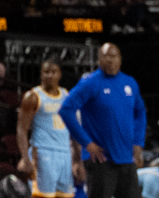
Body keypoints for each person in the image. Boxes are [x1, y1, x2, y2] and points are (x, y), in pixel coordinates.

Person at [61, 42, 147, 198]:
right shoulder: (90, 82)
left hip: (126, 157)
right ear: (98, 60)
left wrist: (138, 142)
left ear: (120, 59)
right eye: (105, 56)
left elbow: (140, 112)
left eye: (113, 56)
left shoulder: (130, 82)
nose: (110, 60)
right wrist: (87, 142)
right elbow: (66, 110)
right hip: (100, 159)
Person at [18, 58, 76, 198]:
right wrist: (26, 158)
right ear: (41, 74)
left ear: (60, 74)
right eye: (46, 72)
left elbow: (73, 128)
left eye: (53, 72)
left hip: (64, 153)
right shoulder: (32, 97)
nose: (49, 75)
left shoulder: (66, 95)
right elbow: (21, 129)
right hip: (43, 152)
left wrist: (78, 160)